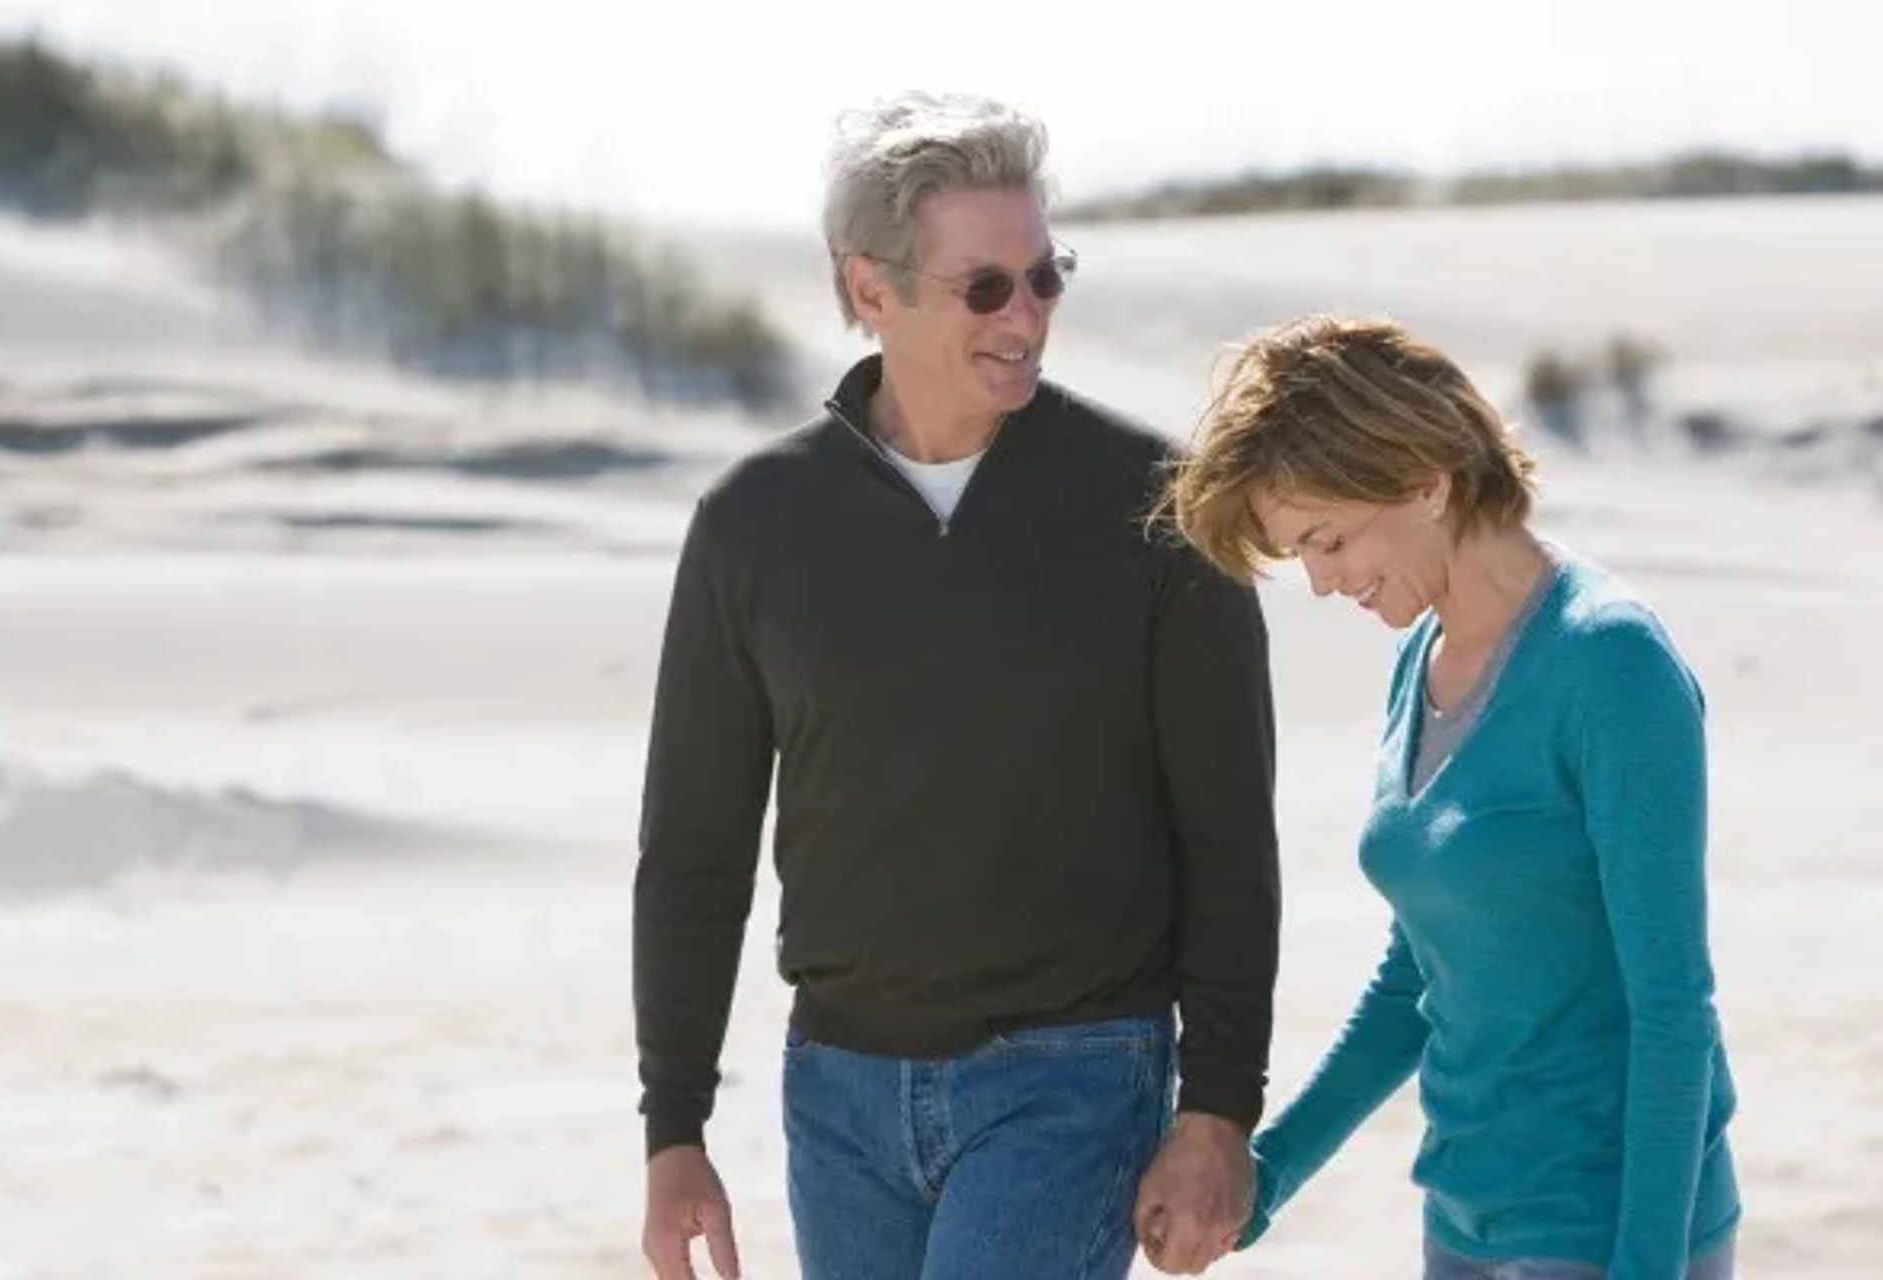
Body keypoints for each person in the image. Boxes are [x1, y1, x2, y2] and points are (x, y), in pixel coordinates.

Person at [631, 91, 1282, 1280]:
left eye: (1046, 277)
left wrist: (1219, 1108)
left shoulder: (1158, 510)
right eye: (986, 286)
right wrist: (674, 1128)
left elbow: (1229, 831)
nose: (1026, 316)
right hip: (837, 1096)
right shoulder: (754, 527)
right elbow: (694, 850)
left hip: (1075, 1076)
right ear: (869, 290)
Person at [1157, 314, 1741, 1279]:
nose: (1318, 580)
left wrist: (1646, 1268)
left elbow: (1673, 1008)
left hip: (1602, 1227)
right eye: (1298, 553)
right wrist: (1268, 1176)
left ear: (1425, 479)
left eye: (1327, 539)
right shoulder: (1418, 662)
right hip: (1466, 1215)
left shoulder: (1611, 665)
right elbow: (1417, 976)